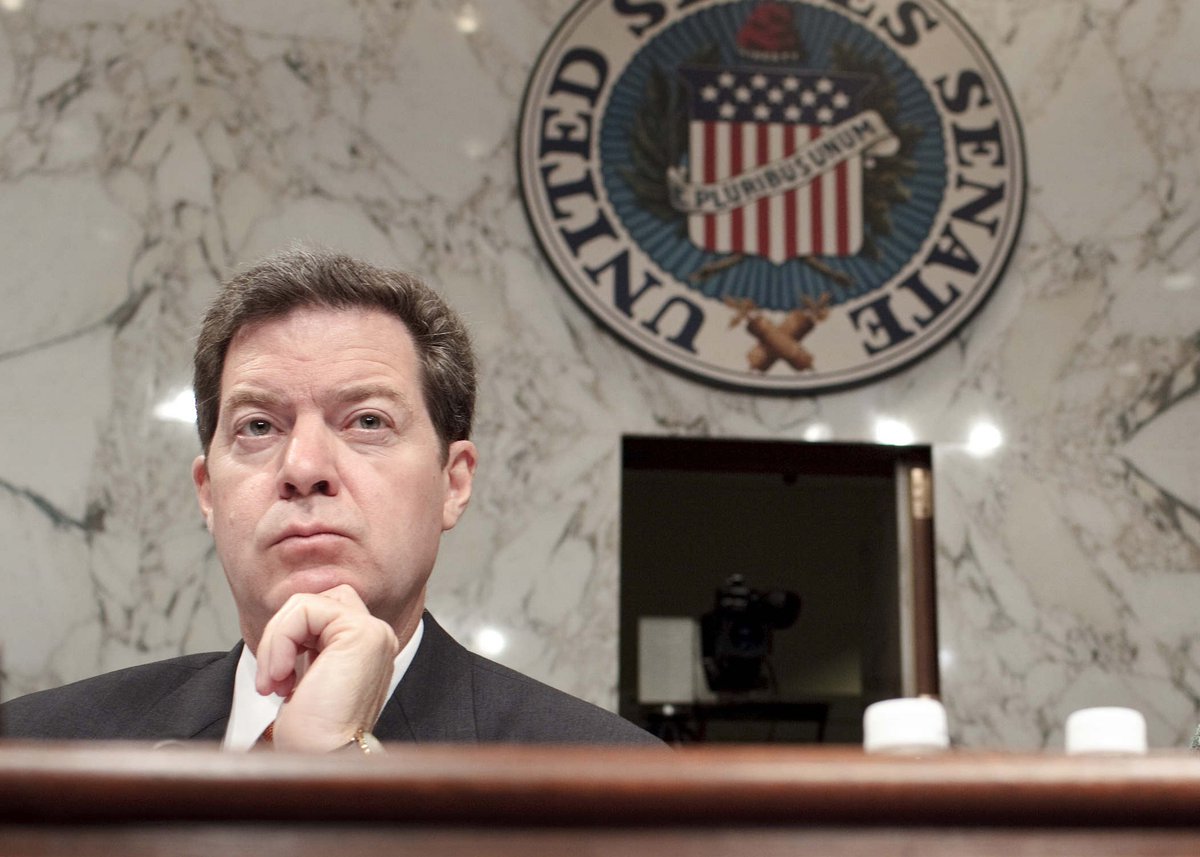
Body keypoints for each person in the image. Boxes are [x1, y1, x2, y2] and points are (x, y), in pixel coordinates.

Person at [1, 247, 660, 750]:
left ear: (453, 482)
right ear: (208, 493)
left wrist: (337, 765)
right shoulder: (35, 751)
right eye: (258, 426)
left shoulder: (609, 785)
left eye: (368, 421)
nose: (304, 467)